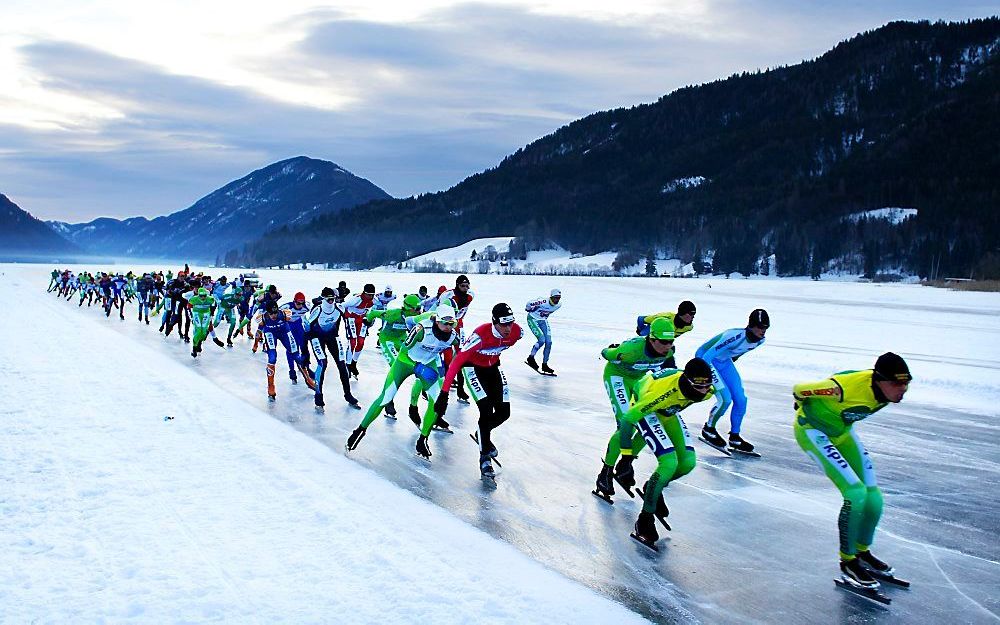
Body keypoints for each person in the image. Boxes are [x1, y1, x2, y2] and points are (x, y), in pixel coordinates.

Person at [793, 352, 911, 590]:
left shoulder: (885, 392)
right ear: (879, 380)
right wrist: (802, 402)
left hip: (842, 433)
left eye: (907, 382)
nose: (903, 389)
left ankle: (862, 552)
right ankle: (847, 561)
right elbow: (798, 389)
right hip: (813, 432)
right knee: (855, 494)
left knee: (874, 499)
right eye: (897, 383)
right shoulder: (840, 389)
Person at [616, 358, 715, 550]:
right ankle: (644, 519)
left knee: (687, 463)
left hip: (668, 411)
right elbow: (628, 420)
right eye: (698, 386)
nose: (704, 391)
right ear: (687, 382)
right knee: (668, 463)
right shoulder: (662, 394)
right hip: (647, 406)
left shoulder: (707, 391)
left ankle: (653, 487)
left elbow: (700, 386)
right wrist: (626, 458)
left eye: (707, 386)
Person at [346, 302, 460, 459]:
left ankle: (422, 440)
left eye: (452, 324)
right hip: (405, 363)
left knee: (436, 403)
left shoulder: (453, 336)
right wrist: (418, 368)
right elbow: (404, 354)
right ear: (436, 320)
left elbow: (461, 355)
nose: (448, 327)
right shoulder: (421, 329)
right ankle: (360, 430)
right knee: (385, 398)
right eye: (445, 323)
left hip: (428, 364)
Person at [594, 317, 679, 501]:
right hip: (617, 377)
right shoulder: (631, 350)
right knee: (626, 424)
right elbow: (606, 353)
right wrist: (612, 350)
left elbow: (672, 375)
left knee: (648, 423)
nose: (667, 346)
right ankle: (605, 473)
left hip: (639, 381)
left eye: (670, 341)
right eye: (663, 342)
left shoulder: (668, 352)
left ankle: (626, 464)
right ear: (651, 339)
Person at [436, 303, 523, 480]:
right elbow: (456, 362)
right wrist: (444, 393)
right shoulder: (480, 336)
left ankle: (482, 432)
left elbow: (503, 343)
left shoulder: (517, 333)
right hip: (472, 368)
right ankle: (484, 459)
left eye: (511, 323)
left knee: (504, 412)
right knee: (485, 410)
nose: (508, 328)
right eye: (503, 324)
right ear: (494, 322)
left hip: (493, 368)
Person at [697, 309, 770, 453]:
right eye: (761, 327)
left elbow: (738, 353)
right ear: (751, 326)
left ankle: (735, 437)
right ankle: (708, 429)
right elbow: (706, 355)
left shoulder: (760, 341)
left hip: (724, 362)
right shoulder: (734, 336)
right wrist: (705, 376)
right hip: (706, 360)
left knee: (741, 399)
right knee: (725, 399)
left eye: (766, 328)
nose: (763, 331)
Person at [364, 294, 424, 417]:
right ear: (408, 308)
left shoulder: (417, 317)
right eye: (417, 309)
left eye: (420, 308)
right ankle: (388, 401)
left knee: (418, 363)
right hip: (388, 340)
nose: (419, 311)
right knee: (395, 366)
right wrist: (368, 320)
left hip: (402, 339)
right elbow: (374, 312)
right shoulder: (393, 314)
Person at [304, 287, 359, 409]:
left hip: (333, 337)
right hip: (317, 338)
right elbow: (307, 328)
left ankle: (348, 394)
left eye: (333, 299)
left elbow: (348, 320)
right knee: (322, 364)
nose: (331, 302)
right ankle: (318, 395)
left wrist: (351, 334)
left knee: (342, 364)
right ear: (323, 299)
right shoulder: (317, 310)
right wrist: (305, 349)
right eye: (329, 300)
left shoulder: (339, 307)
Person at [258, 301, 314, 400]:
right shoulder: (262, 318)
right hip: (271, 333)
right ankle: (271, 385)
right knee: (272, 358)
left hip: (284, 332)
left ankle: (308, 379)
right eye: (271, 313)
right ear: (267, 312)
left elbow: (298, 317)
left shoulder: (285, 314)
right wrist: (255, 343)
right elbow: (259, 331)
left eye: (275, 313)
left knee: (296, 355)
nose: (274, 315)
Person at [635, 301, 696, 367]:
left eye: (694, 314)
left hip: (662, 344)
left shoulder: (689, 327)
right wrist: (640, 331)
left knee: (670, 351)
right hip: (650, 335)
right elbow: (641, 319)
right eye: (691, 314)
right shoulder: (664, 317)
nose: (693, 317)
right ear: (682, 313)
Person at [524, 289, 562, 374]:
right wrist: (528, 308)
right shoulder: (543, 301)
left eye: (559, 298)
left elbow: (548, 311)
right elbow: (529, 303)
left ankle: (545, 365)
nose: (557, 300)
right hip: (533, 319)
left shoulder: (559, 305)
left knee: (549, 342)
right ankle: (531, 358)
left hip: (543, 320)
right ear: (551, 297)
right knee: (541, 340)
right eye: (555, 298)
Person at [342, 283, 376, 377]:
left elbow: (374, 312)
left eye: (372, 295)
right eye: (368, 294)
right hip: (351, 318)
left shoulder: (374, 300)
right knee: (352, 342)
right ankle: (347, 365)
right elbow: (341, 306)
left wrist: (371, 320)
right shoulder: (356, 300)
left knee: (361, 342)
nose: (370, 297)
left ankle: (353, 364)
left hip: (362, 320)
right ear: (364, 293)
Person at [183, 287, 216, 358]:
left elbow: (214, 305)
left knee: (203, 333)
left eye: (204, 296)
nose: (203, 298)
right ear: (198, 295)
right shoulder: (193, 299)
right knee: (198, 331)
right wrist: (191, 316)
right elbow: (188, 307)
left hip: (206, 314)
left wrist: (211, 314)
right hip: (196, 314)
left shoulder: (210, 299)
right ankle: (194, 349)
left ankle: (199, 343)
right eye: (201, 296)